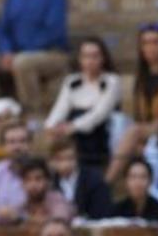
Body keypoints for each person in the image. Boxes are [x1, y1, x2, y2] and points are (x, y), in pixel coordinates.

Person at [106, 23, 158, 184]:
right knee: (122, 129)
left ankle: (106, 182)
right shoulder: (141, 78)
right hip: (146, 130)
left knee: (134, 132)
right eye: (146, 43)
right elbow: (139, 115)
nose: (151, 47)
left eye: (156, 42)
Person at [44, 37, 122, 170]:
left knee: (83, 136)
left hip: (98, 129)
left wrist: (72, 127)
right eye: (86, 56)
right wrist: (51, 125)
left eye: (95, 56)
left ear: (103, 58)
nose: (90, 61)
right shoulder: (71, 81)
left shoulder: (111, 81)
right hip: (72, 127)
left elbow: (99, 114)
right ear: (80, 59)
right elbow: (60, 108)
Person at [49, 138, 112, 221]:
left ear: (77, 158)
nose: (66, 164)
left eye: (70, 158)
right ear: (52, 162)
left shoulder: (94, 179)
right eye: (60, 159)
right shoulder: (50, 183)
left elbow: (102, 212)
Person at [111, 156, 158, 223]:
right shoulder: (116, 210)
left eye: (143, 177)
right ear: (126, 181)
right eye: (133, 177)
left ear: (150, 180)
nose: (138, 182)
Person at [16, 157, 73, 226]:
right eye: (27, 180)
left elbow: (59, 219)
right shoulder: (23, 204)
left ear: (48, 182)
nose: (33, 185)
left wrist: (23, 219)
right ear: (22, 184)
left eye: (38, 179)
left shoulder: (57, 199)